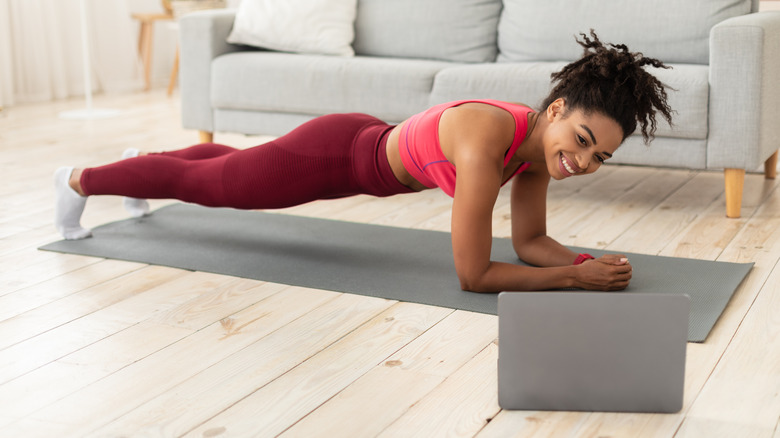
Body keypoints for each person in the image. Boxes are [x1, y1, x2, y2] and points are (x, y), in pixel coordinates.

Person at [54, 31, 673, 293]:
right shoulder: (489, 143)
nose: (585, 161)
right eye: (584, 138)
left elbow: (532, 240)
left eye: (601, 157)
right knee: (214, 184)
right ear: (558, 107)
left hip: (358, 142)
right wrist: (572, 280)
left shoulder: (537, 147)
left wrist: (588, 262)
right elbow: (474, 275)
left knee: (228, 167)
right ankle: (83, 179)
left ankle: (141, 162)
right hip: (333, 157)